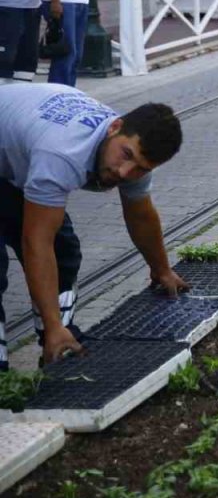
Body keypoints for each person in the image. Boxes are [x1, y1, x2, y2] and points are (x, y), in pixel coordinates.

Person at [0, 84, 188, 368]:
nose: (125, 173)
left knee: (63, 252)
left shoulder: (133, 154)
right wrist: (53, 325)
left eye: (141, 168)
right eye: (126, 155)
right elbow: (36, 243)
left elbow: (140, 216)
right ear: (115, 127)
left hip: (15, 149)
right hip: (25, 140)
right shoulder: (63, 153)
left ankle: (58, 343)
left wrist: (161, 269)